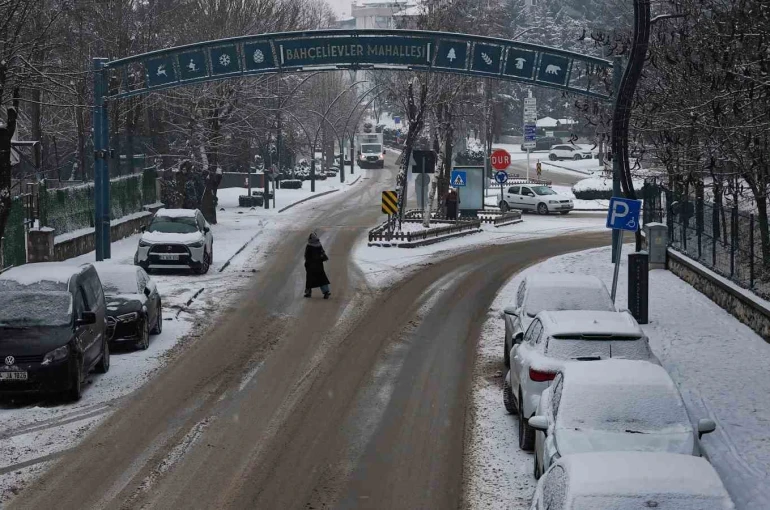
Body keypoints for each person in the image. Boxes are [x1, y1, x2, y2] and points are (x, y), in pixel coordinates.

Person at [304, 232, 331, 299]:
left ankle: (308, 293)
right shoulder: (319, 245)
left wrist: (306, 264)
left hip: (311, 265)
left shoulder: (309, 246)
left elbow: (306, 256)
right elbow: (322, 253)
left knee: (309, 279)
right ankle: (326, 292)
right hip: (319, 265)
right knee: (322, 278)